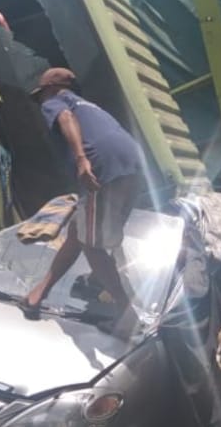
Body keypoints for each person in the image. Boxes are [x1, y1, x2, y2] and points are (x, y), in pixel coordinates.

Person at [19, 67, 146, 337]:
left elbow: (64, 118)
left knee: (92, 245)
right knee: (80, 232)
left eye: (41, 94)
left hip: (102, 167)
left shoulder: (57, 102)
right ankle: (38, 294)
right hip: (131, 166)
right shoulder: (91, 107)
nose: (41, 102)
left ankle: (127, 314)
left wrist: (81, 159)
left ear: (51, 88)